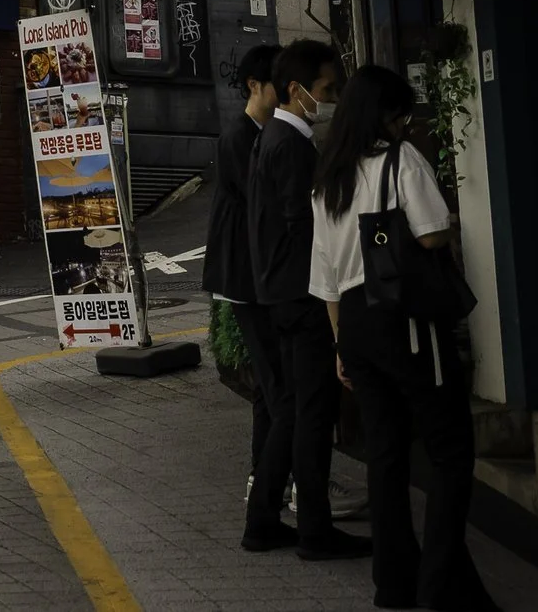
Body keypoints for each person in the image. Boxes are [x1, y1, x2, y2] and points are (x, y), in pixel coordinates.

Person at [314, 65, 495, 610]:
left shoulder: (328, 181)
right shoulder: (401, 161)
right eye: (402, 115)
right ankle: (441, 587)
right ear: (387, 117)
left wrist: (341, 344)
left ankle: (392, 582)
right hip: (407, 322)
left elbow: (323, 279)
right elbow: (433, 233)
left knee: (385, 455)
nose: (404, 124)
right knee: (449, 452)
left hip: (355, 325)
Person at [246, 40, 370, 560]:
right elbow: (306, 231)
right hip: (303, 296)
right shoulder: (291, 145)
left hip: (280, 293)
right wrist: (331, 300)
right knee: (312, 413)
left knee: (293, 412)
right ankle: (313, 528)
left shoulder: (271, 138)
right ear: (297, 91)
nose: (331, 99)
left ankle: (264, 520)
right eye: (325, 90)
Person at [206, 44, 282, 521]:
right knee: (277, 386)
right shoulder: (240, 138)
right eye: (279, 82)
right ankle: (273, 478)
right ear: (254, 85)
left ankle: (271, 474)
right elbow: (264, 206)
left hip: (256, 274)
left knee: (274, 385)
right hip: (245, 275)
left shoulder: (264, 133)